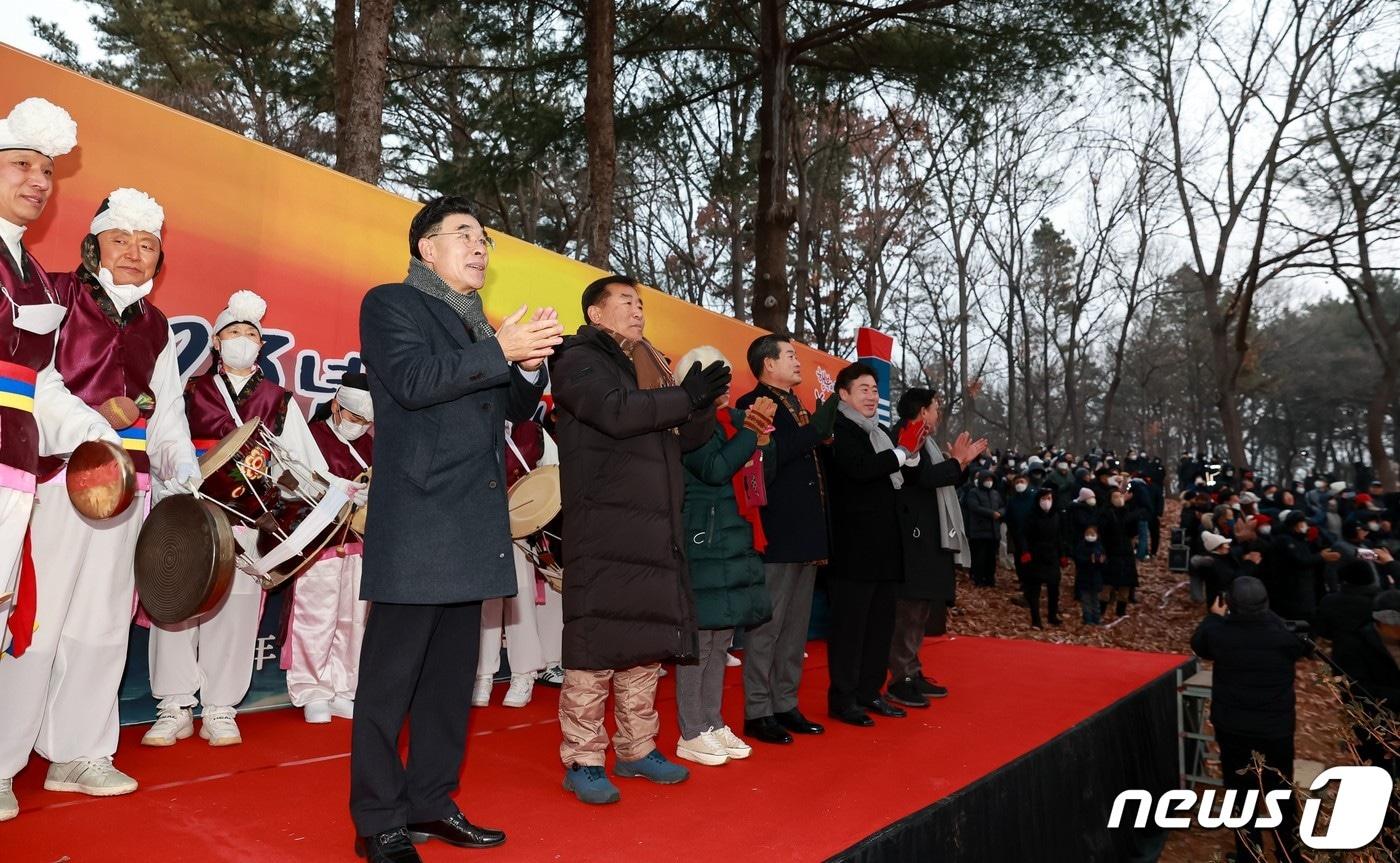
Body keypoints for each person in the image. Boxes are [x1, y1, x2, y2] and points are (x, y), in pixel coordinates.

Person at [350, 196, 558, 861]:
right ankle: (378, 819)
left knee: (449, 682)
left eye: (485, 237)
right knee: (390, 683)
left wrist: (526, 365)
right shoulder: (390, 304)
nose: (479, 246)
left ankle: (431, 801)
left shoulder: (476, 325)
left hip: (472, 520)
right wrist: (500, 348)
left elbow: (512, 406)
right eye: (463, 234)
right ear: (426, 248)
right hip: (417, 518)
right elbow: (412, 381)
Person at [2, 188, 200, 804]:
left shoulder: (160, 325)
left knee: (104, 624)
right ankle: (1, 763)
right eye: (121, 240)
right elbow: (36, 378)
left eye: (147, 245)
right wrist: (90, 424)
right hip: (58, 479)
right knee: (35, 622)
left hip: (128, 493)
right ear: (94, 245)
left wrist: (184, 474)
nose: (134, 254)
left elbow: (166, 413)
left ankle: (81, 753)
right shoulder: (53, 293)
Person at [0, 99, 130, 823]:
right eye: (22, 165)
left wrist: (88, 431)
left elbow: (42, 381)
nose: (38, 181)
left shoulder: (36, 276)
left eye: (47, 172)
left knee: (7, 618)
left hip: (22, 470)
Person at [551, 275, 725, 805]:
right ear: (596, 313)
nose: (637, 310)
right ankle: (583, 758)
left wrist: (700, 402)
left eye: (641, 302)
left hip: (655, 526)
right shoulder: (579, 358)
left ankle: (637, 748)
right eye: (625, 301)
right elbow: (617, 412)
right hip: (604, 524)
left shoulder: (653, 363)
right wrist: (682, 395)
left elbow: (688, 440)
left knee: (645, 643)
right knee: (595, 643)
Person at [144, 289, 329, 750]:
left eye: (250, 334)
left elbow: (305, 463)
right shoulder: (189, 390)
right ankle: (174, 705)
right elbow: (165, 444)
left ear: (261, 346)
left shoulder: (277, 398)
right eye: (232, 333)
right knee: (179, 605)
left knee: (237, 610)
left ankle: (221, 707)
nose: (241, 340)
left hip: (252, 519)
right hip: (194, 514)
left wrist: (291, 503)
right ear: (215, 341)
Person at [673, 345, 776, 766]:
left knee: (721, 640)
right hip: (704, 538)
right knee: (699, 642)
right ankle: (691, 730)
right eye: (719, 374)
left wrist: (759, 440)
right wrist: (751, 436)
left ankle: (713, 721)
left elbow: (753, 477)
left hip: (732, 538)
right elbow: (714, 469)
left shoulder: (733, 421)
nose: (728, 382)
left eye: (729, 374)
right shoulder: (689, 423)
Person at [733, 334, 837, 745]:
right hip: (775, 533)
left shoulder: (795, 405)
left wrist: (819, 426)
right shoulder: (753, 406)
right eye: (790, 355)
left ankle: (785, 703)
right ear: (767, 364)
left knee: (796, 628)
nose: (798, 361)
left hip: (806, 533)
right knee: (767, 628)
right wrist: (818, 427)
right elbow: (772, 459)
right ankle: (758, 711)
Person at [824, 362, 924, 727]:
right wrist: (900, 453)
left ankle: (870, 691)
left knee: (880, 625)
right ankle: (844, 698)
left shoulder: (878, 432)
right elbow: (860, 469)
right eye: (863, 389)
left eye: (875, 389)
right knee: (851, 627)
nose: (872, 395)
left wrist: (909, 453)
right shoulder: (838, 429)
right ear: (844, 395)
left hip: (884, 547)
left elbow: (899, 476)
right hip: (853, 549)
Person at [1191, 577, 1308, 863]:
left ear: (1230, 604)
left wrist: (1212, 617)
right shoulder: (1283, 636)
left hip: (1234, 730)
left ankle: (1248, 854)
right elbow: (1301, 643)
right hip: (1275, 730)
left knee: (1240, 794)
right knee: (1280, 791)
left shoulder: (1221, 634)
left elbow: (1200, 645)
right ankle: (1287, 852)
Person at [885, 388, 985, 707]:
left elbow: (940, 479)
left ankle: (912, 671)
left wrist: (959, 465)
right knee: (909, 611)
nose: (938, 413)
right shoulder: (904, 434)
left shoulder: (924, 439)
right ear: (922, 410)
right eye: (936, 407)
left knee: (920, 610)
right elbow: (922, 478)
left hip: (927, 535)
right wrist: (956, 461)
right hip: (912, 537)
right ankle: (901, 678)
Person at [284, 375, 374, 724]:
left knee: (353, 619)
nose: (359, 427)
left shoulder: (370, 444)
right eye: (354, 418)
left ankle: (344, 688)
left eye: (366, 422)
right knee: (315, 617)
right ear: (336, 406)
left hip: (361, 543)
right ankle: (312, 690)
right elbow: (294, 477)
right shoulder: (310, 436)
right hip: (320, 542)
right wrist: (341, 489)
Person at [473, 418, 560, 709]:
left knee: (520, 600)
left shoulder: (532, 430)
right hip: (480, 527)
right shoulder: (471, 425)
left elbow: (555, 475)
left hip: (521, 529)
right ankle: (482, 674)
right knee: (486, 603)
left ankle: (524, 674)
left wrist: (537, 509)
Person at [1018, 487, 1067, 628]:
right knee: (1034, 590)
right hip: (1035, 556)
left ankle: (1052, 616)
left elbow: (1059, 537)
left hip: (1051, 555)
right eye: (1044, 499)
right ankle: (1036, 619)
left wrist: (1062, 554)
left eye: (1049, 499)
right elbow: (1023, 535)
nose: (1047, 502)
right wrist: (1025, 551)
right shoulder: (1031, 516)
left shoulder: (1056, 516)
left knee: (1054, 588)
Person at [963, 469, 1004, 588]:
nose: (989, 482)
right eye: (986, 479)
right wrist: (991, 514)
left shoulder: (995, 494)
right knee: (979, 557)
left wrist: (1000, 513)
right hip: (979, 531)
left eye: (991, 480)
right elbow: (974, 507)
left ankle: (990, 579)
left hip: (993, 531)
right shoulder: (973, 492)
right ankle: (978, 579)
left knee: (991, 558)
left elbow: (1002, 506)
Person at [1072, 523, 1107, 625]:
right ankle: (1087, 619)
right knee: (1086, 600)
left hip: (1095, 578)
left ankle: (1096, 618)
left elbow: (1103, 562)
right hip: (1084, 577)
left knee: (1095, 600)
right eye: (1088, 534)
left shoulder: (1099, 547)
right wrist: (1088, 560)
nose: (1090, 536)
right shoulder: (1081, 546)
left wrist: (1101, 562)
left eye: (1092, 534)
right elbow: (1078, 560)